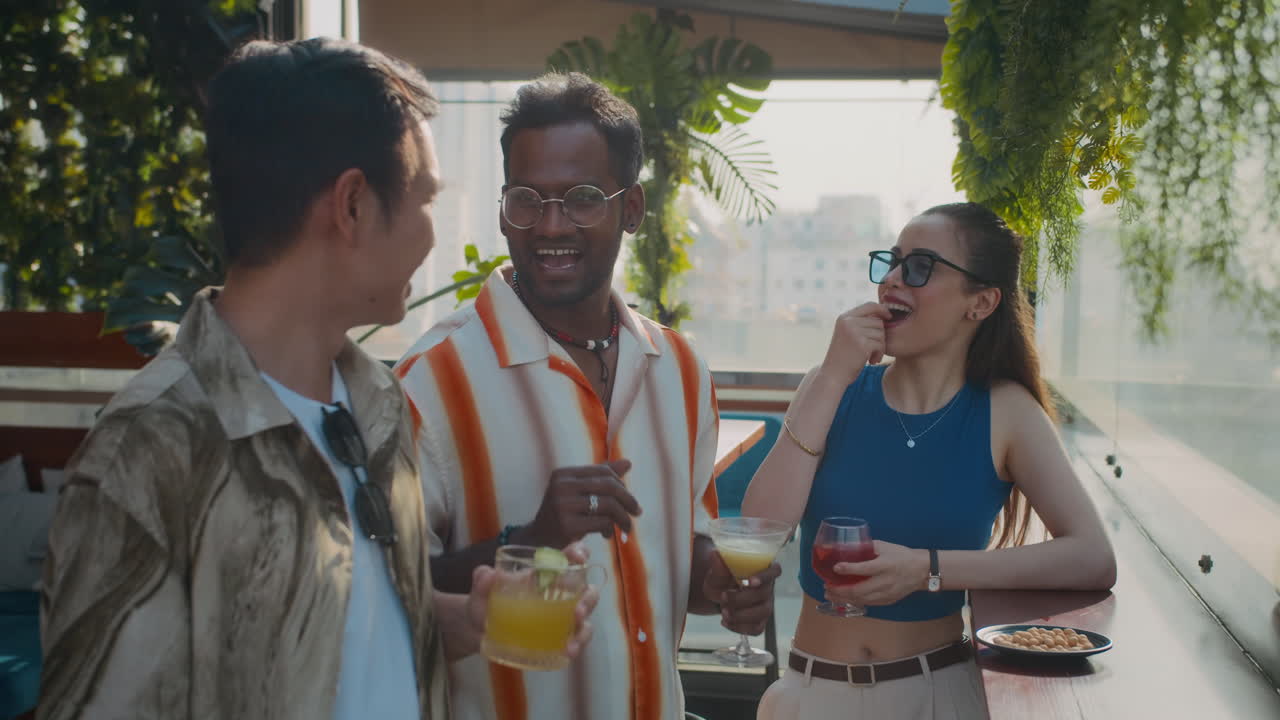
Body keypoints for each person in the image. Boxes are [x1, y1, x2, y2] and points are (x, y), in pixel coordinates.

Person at [37, 38, 596, 720]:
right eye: (424, 200)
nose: (430, 233)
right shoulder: (147, 455)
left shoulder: (378, 406)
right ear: (353, 205)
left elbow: (349, 631)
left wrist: (470, 619)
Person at [395, 71, 778, 720]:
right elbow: (389, 595)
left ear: (632, 209)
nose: (550, 226)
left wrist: (717, 580)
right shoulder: (432, 379)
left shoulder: (680, 368)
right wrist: (530, 539)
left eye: (580, 198)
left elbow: (680, 550)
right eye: (526, 198)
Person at [744, 202, 1117, 719]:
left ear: (981, 303)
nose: (893, 279)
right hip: (810, 692)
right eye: (891, 262)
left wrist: (928, 570)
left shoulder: (1006, 411)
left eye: (919, 267)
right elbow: (759, 530)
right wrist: (832, 375)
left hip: (939, 695)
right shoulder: (833, 385)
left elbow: (1093, 558)